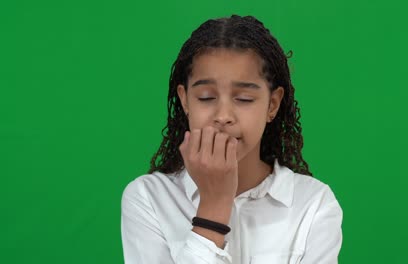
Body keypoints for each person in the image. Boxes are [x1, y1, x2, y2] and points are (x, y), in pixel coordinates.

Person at [121, 14, 343, 264]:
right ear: (185, 101)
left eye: (244, 99)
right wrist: (214, 206)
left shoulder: (314, 205)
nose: (223, 116)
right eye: (206, 97)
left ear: (272, 105)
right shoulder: (149, 198)